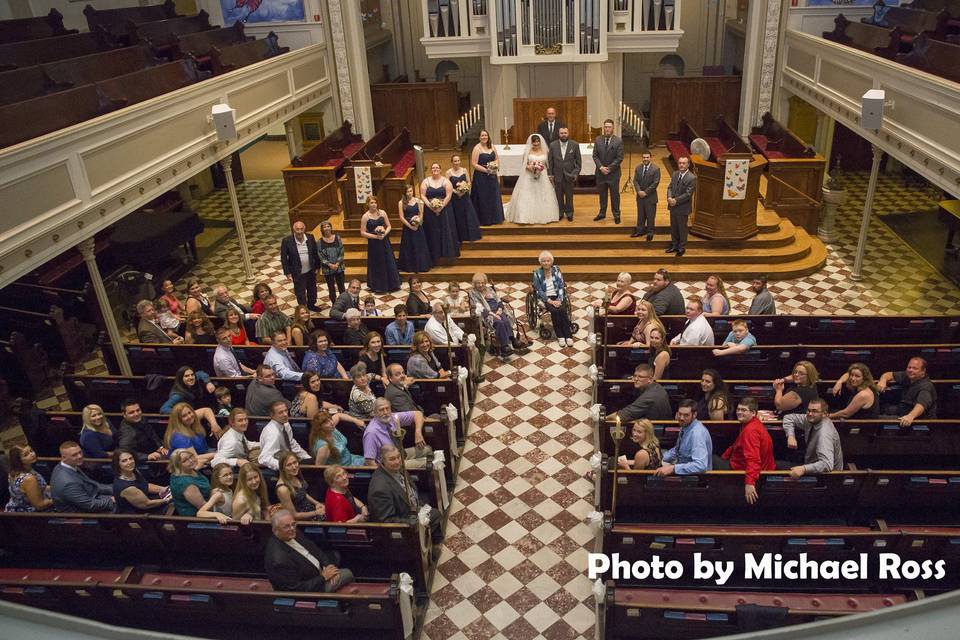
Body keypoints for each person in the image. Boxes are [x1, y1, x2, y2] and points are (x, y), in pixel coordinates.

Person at [368, 445, 443, 546]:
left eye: (398, 457)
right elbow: (387, 520)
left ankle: (433, 541)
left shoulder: (397, 467)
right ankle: (424, 546)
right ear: (382, 461)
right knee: (436, 514)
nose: (397, 461)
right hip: (404, 519)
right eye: (392, 459)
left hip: (413, 505)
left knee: (432, 505)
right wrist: (412, 521)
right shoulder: (380, 489)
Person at [264, 509, 354, 592]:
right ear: (275, 530)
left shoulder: (292, 532)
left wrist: (328, 565)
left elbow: (315, 549)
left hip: (319, 570)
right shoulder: (279, 560)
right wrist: (323, 577)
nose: (292, 528)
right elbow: (297, 589)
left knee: (336, 555)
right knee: (348, 573)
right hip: (314, 587)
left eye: (293, 524)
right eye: (286, 527)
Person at [714, 397, 775, 504]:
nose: (739, 412)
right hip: (743, 462)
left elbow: (753, 459)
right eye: (738, 409)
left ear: (753, 413)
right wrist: (724, 457)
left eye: (743, 410)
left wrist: (750, 483)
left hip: (742, 468)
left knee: (710, 458)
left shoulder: (750, 431)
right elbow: (736, 446)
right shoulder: (751, 424)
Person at [505, 133, 559, 224]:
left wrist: (546, 172)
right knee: (528, 194)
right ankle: (523, 217)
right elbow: (524, 164)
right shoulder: (528, 152)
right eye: (534, 143)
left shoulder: (546, 151)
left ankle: (544, 215)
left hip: (543, 175)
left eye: (538, 142)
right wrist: (529, 167)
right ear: (531, 143)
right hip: (529, 176)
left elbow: (548, 164)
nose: (536, 144)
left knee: (543, 194)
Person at [469, 272, 525, 357]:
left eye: (482, 283)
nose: (480, 285)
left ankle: (512, 339)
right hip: (487, 313)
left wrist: (499, 309)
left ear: (485, 283)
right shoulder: (473, 293)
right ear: (474, 284)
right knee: (499, 323)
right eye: (478, 283)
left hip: (497, 310)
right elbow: (479, 307)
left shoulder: (489, 289)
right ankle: (504, 346)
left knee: (506, 320)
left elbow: (498, 300)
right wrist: (493, 314)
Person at [362, 399, 431, 468]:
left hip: (399, 454)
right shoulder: (371, 433)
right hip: (390, 466)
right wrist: (388, 474)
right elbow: (369, 462)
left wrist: (418, 432)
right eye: (381, 410)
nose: (385, 412)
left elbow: (418, 414)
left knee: (428, 449)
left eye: (387, 408)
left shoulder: (392, 417)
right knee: (429, 463)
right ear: (375, 413)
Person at [785, 398, 844, 478]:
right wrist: (791, 436)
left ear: (824, 414)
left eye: (814, 411)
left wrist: (803, 469)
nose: (810, 413)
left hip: (827, 477)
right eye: (808, 410)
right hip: (810, 463)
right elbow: (789, 418)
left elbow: (827, 464)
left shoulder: (824, 433)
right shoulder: (811, 419)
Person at [50, 441, 114, 512]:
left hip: (93, 497)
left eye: (80, 452)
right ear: (64, 458)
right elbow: (90, 505)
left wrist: (116, 489)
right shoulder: (68, 483)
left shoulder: (68, 465)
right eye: (74, 455)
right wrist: (112, 500)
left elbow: (93, 485)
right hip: (82, 514)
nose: (80, 456)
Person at [654, 400, 712, 476]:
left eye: (686, 415)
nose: (681, 418)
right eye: (680, 414)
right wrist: (659, 458)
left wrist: (673, 468)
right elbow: (678, 451)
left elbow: (700, 465)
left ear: (694, 415)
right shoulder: (686, 426)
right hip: (682, 469)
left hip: (695, 478)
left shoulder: (697, 434)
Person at [878, 357, 938, 426]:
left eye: (915, 368)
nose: (910, 370)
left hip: (917, 420)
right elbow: (889, 374)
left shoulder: (926, 386)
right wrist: (883, 380)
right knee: (881, 408)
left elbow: (922, 405)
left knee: (875, 418)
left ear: (923, 371)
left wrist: (911, 416)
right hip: (902, 409)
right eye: (909, 367)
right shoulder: (909, 375)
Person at [291, 371, 362, 429]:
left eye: (318, 380)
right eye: (313, 382)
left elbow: (320, 403)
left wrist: (334, 406)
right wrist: (337, 416)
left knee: (339, 409)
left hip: (316, 420)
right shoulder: (311, 397)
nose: (317, 383)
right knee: (343, 417)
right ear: (307, 384)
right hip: (314, 429)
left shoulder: (304, 392)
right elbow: (315, 424)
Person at [360, 196, 402, 293]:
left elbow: (389, 226)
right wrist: (376, 237)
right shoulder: (365, 216)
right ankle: (378, 285)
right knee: (377, 262)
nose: (374, 204)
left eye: (375, 202)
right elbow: (362, 232)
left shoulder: (382, 213)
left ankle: (392, 284)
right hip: (373, 243)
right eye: (371, 203)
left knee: (388, 260)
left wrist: (384, 234)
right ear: (367, 204)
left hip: (384, 241)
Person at [532, 251, 574, 347]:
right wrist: (550, 301)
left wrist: (559, 299)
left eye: (548, 261)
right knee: (555, 311)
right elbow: (539, 290)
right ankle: (560, 336)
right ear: (540, 262)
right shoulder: (537, 274)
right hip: (546, 298)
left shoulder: (556, 269)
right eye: (544, 261)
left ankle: (568, 335)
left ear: (551, 261)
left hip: (558, 295)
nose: (546, 263)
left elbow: (561, 285)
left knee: (563, 310)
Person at [420, 162, 460, 261]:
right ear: (431, 170)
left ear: (440, 170)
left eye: (437, 168)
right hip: (430, 211)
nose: (435, 169)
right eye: (433, 168)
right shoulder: (426, 181)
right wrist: (431, 206)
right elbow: (422, 195)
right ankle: (433, 253)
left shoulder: (446, 181)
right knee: (432, 230)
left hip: (445, 210)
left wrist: (440, 207)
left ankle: (447, 253)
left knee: (446, 229)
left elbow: (449, 195)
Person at [258, 401, 312, 471]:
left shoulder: (285, 424)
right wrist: (284, 467)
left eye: (286, 411)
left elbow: (291, 444)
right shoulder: (273, 433)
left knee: (311, 461)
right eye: (280, 412)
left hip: (290, 460)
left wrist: (306, 457)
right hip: (281, 467)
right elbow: (264, 458)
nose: (285, 414)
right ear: (272, 415)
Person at [280, 220, 320, 311]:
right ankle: (303, 308)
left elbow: (315, 253)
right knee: (300, 292)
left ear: (304, 229)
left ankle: (311, 305)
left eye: (301, 229)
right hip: (297, 272)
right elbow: (284, 258)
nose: (299, 231)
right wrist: (287, 272)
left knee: (312, 290)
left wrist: (317, 266)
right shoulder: (287, 241)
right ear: (294, 230)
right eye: (297, 229)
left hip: (310, 270)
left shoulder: (310, 237)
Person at [163, 402, 216, 467]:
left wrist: (214, 424)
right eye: (184, 416)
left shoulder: (190, 421)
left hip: (205, 453)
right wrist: (217, 454)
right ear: (178, 420)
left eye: (190, 412)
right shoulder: (179, 437)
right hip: (190, 466)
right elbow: (193, 458)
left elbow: (206, 410)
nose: (189, 416)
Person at [275, 451, 324, 521]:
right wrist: (316, 512)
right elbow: (293, 515)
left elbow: (303, 493)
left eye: (295, 462)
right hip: (303, 520)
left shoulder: (295, 475)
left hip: (311, 510)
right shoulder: (282, 489)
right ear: (283, 468)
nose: (294, 467)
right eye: (289, 465)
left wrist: (317, 503)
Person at [470, 129, 505, 226]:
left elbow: (497, 158)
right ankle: (484, 219)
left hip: (492, 176)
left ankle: (495, 218)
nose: (484, 137)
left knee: (493, 195)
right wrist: (487, 170)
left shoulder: (492, 146)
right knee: (483, 197)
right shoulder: (477, 148)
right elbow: (474, 163)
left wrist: (495, 166)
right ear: (479, 137)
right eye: (482, 135)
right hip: (481, 177)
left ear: (488, 137)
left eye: (485, 135)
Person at [592, 119, 624, 224]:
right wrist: (601, 167)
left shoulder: (618, 141)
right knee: (602, 194)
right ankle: (602, 213)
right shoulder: (598, 139)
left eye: (609, 127)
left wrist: (609, 168)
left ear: (613, 128)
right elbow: (595, 156)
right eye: (605, 127)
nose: (607, 129)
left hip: (613, 174)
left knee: (615, 195)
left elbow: (619, 158)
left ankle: (616, 214)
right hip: (600, 173)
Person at [5, 445, 53, 512]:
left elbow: (41, 487)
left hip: (14, 507)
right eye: (26, 455)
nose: (32, 454)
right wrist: (58, 499)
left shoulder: (14, 471)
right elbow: (40, 505)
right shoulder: (29, 479)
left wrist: (57, 489)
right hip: (27, 515)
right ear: (18, 460)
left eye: (31, 451)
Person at [397, 185, 433, 273]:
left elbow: (421, 213)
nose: (409, 193)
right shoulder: (401, 202)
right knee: (409, 246)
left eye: (411, 191)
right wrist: (410, 226)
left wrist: (418, 222)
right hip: (408, 228)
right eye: (408, 191)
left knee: (419, 246)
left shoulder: (418, 201)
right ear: (404, 193)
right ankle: (409, 266)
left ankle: (421, 265)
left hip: (417, 227)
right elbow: (401, 217)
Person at [548, 126, 581, 221]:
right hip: (557, 175)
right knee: (558, 195)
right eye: (561, 133)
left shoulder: (574, 145)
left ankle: (569, 213)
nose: (563, 135)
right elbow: (550, 161)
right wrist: (550, 174)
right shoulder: (553, 145)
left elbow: (578, 163)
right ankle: (560, 212)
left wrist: (575, 174)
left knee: (569, 196)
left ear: (568, 133)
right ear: (559, 134)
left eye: (565, 133)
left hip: (569, 175)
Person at [447, 154, 483, 242]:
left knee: (468, 214)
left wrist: (464, 190)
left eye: (458, 161)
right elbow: (447, 186)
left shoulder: (464, 170)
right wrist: (457, 192)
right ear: (452, 162)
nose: (457, 163)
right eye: (455, 161)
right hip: (455, 198)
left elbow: (469, 182)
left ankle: (469, 234)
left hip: (465, 196)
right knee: (457, 215)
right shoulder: (448, 172)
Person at [666, 155, 696, 256]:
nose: (681, 165)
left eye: (684, 163)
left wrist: (676, 200)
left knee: (682, 229)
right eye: (680, 163)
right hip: (673, 206)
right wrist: (669, 197)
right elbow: (669, 187)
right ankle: (674, 245)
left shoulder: (692, 178)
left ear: (688, 164)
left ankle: (681, 247)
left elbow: (688, 194)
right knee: (673, 227)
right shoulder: (675, 174)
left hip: (682, 208)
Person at [631, 151, 660, 240]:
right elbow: (635, 181)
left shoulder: (656, 169)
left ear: (650, 158)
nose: (645, 159)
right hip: (640, 196)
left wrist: (645, 192)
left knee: (650, 216)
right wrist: (639, 191)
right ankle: (640, 231)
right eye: (644, 157)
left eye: (647, 157)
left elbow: (655, 183)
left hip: (650, 197)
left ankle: (650, 233)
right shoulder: (638, 168)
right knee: (640, 215)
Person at [318, 221, 347, 305]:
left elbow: (341, 251)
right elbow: (320, 255)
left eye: (328, 226)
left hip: (339, 266)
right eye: (324, 227)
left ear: (331, 228)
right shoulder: (319, 242)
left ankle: (343, 302)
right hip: (328, 269)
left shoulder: (337, 238)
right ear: (322, 229)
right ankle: (334, 303)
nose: (326, 228)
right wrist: (330, 264)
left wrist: (337, 263)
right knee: (331, 287)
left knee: (341, 286)